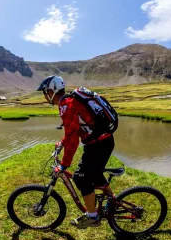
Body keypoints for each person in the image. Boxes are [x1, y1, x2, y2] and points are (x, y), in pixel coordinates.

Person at [37, 75, 115, 229]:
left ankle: (92, 217)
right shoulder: (70, 101)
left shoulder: (66, 105)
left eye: (45, 92)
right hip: (102, 142)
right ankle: (112, 202)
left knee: (80, 177)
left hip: (98, 144)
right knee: (95, 173)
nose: (45, 96)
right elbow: (74, 131)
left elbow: (73, 139)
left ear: (52, 90)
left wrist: (64, 165)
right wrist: (62, 142)